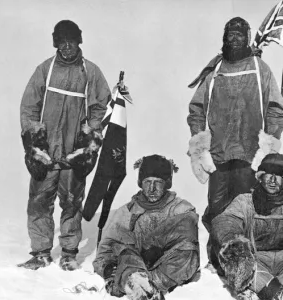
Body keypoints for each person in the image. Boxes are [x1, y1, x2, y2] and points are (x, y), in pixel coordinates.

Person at [187, 17, 283, 267]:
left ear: (248, 37)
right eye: (230, 34)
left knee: (245, 208)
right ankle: (217, 258)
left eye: (240, 34)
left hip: (249, 155)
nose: (235, 38)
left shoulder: (259, 68)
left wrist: (269, 146)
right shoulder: (216, 70)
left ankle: (244, 259)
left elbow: (275, 108)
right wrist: (200, 144)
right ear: (224, 37)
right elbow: (197, 108)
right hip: (219, 154)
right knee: (217, 208)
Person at [18, 20, 111, 271]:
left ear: (79, 42)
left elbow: (101, 106)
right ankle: (40, 252)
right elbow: (29, 107)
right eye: (62, 41)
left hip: (73, 152)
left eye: (71, 41)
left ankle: (69, 252)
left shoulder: (90, 72)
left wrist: (88, 137)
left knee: (71, 201)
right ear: (56, 43)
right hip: (46, 152)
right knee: (39, 201)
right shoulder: (45, 70)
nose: (67, 47)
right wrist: (35, 143)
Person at [93, 154, 200, 300]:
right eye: (147, 181)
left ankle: (146, 286)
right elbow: (106, 249)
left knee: (186, 241)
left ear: (167, 183)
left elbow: (188, 251)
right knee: (124, 250)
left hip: (167, 269)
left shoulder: (181, 209)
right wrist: (106, 268)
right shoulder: (127, 212)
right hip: (135, 266)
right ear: (140, 183)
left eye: (158, 182)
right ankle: (139, 286)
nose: (152, 188)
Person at [211, 153, 283, 300]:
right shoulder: (245, 201)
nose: (273, 180)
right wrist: (231, 239)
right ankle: (263, 290)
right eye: (269, 174)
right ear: (260, 177)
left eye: (279, 175)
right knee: (234, 252)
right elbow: (226, 220)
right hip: (254, 264)